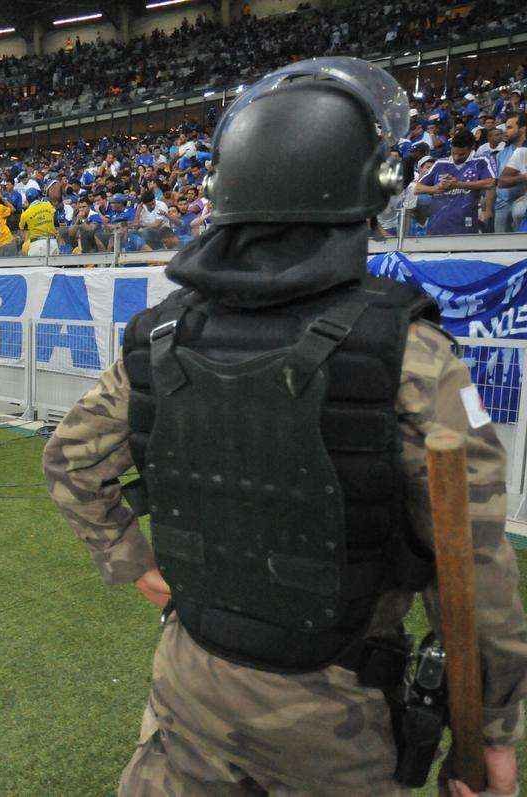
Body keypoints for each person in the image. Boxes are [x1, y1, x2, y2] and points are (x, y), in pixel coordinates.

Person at [43, 58, 527, 796]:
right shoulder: (410, 356)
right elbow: (473, 567)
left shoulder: (159, 335)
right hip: (335, 721)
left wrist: (137, 566)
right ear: (372, 191)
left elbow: (71, 462)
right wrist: (490, 732)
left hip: (190, 683)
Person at [414, 128, 495, 236]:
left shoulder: (481, 161)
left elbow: (491, 183)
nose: (456, 157)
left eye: (461, 154)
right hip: (437, 226)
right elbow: (417, 188)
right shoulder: (440, 164)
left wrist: (458, 184)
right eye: (454, 153)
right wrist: (436, 188)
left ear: (471, 148)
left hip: (466, 225)